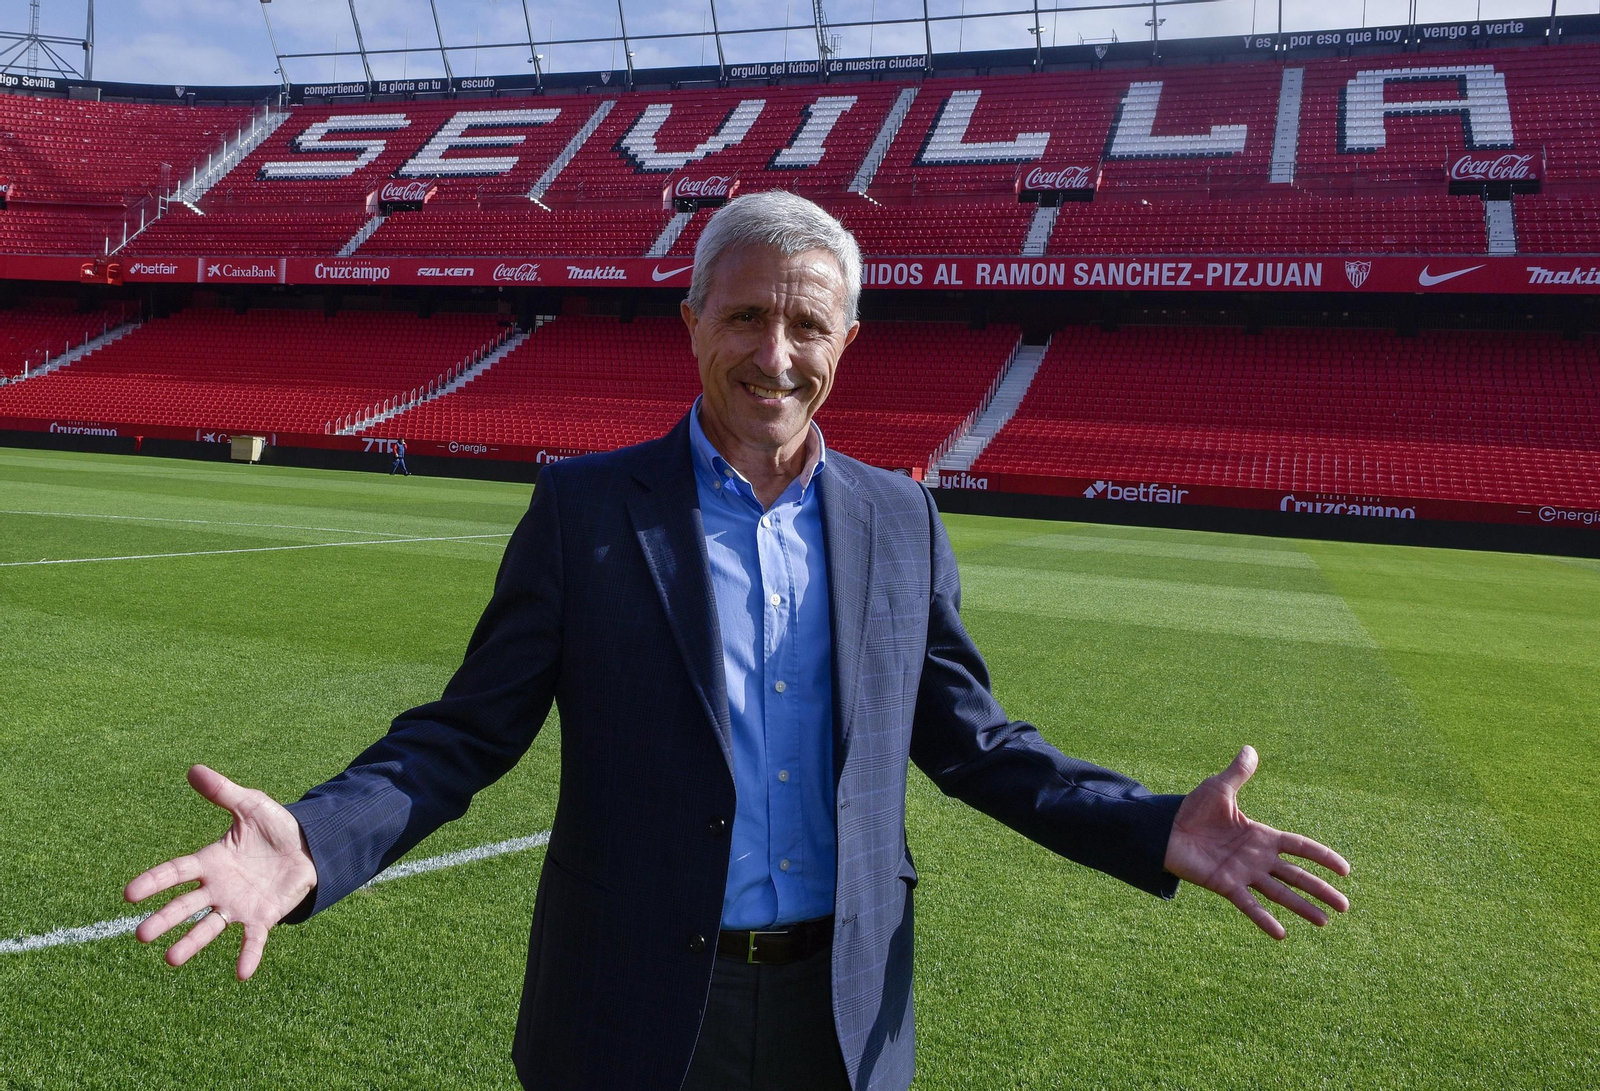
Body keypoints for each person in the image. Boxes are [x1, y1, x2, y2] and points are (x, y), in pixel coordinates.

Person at [125, 191, 1350, 1091]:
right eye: (748, 316)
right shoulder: (586, 510)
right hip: (630, 1003)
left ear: (844, 341)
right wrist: (316, 841)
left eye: (807, 325)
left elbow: (974, 743)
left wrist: (1150, 823)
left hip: (841, 1007)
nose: (776, 355)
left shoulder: (899, 517)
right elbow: (465, 732)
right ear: (693, 321)